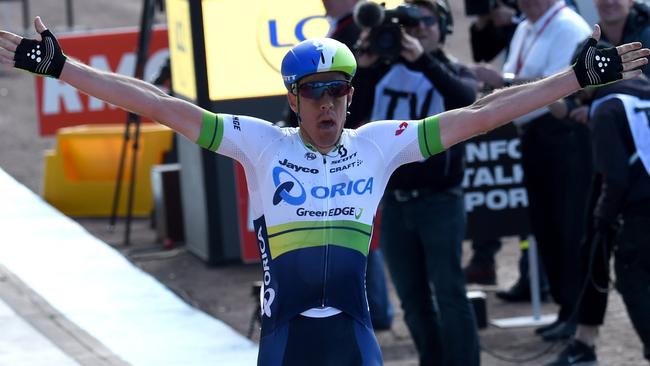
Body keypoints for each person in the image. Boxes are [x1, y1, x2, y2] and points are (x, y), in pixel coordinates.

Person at [1, 16, 646, 366]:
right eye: (314, 93)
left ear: (350, 95)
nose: (329, 103)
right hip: (285, 348)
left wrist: (571, 79)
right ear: (293, 99)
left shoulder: (378, 144)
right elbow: (161, 105)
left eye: (339, 90)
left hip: (356, 345)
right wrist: (63, 66)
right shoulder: (262, 143)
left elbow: (484, 112)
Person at [352, 1, 480, 364]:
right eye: (410, 23)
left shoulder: (448, 70)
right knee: (412, 299)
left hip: (441, 201)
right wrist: (367, 62)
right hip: (394, 202)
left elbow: (466, 99)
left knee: (450, 292)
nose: (419, 28)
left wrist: (422, 59)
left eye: (427, 21)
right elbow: (350, 112)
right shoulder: (381, 73)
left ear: (442, 27)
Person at [472, 0, 594, 341]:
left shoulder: (569, 26)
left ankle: (579, 314)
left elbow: (564, 85)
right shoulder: (526, 26)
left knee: (569, 229)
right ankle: (566, 309)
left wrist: (504, 80)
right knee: (546, 228)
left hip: (564, 135)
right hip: (533, 137)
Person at [545, 75, 650, 365]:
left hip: (640, 212)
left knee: (632, 281)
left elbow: (615, 178)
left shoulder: (606, 108)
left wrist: (602, 218)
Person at [319, 0, 395, 332]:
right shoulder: (348, 29)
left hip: (360, 144)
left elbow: (359, 92)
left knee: (356, 224)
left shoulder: (353, 30)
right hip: (357, 142)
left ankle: (376, 307)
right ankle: (372, 305)